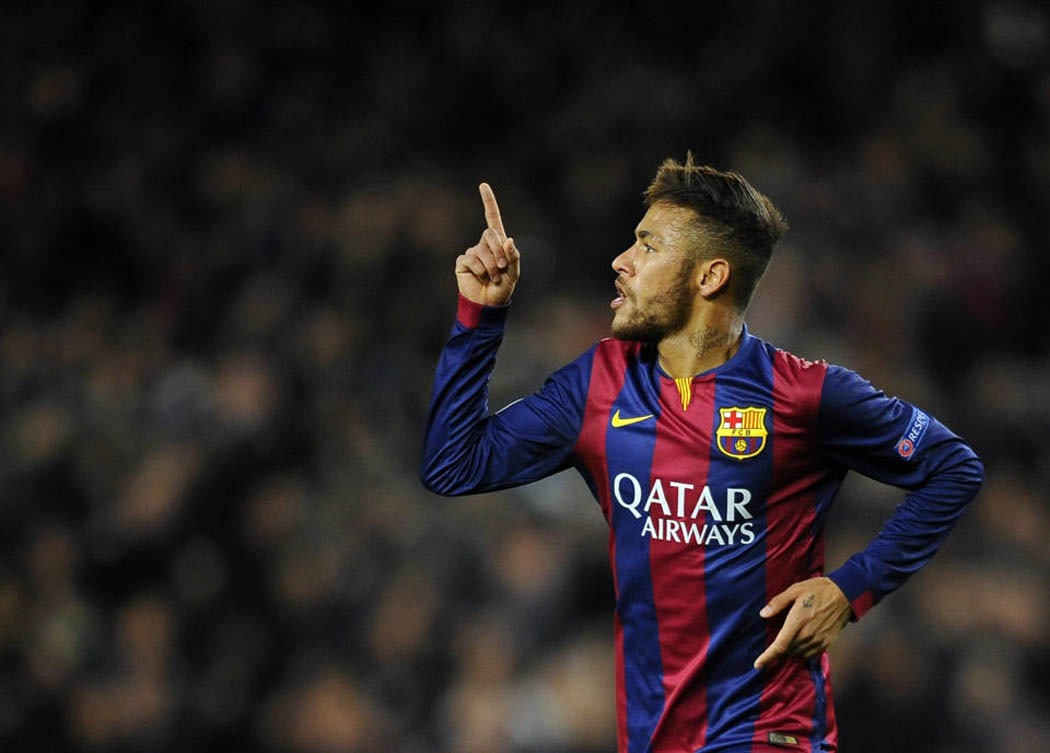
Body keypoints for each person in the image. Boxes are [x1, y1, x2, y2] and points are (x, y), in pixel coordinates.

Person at [420, 155, 984, 753]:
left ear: (709, 277)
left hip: (770, 731)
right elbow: (453, 464)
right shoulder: (599, 385)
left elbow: (953, 466)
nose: (621, 261)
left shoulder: (805, 394)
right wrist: (480, 316)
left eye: (647, 245)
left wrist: (851, 589)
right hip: (650, 736)